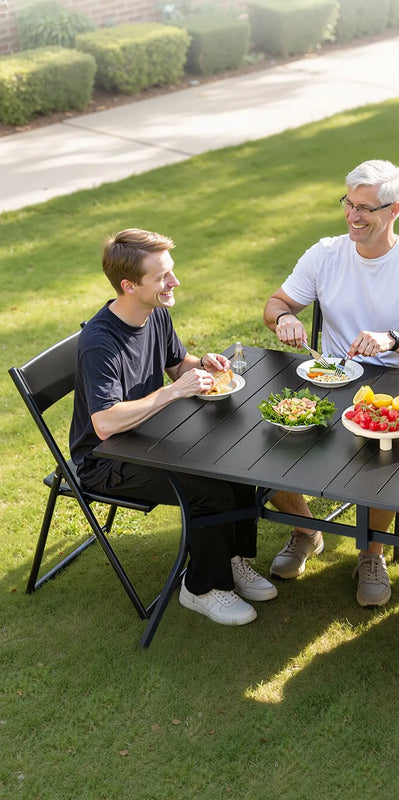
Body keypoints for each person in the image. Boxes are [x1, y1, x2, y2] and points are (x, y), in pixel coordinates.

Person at [263, 159, 399, 608]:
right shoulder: (325, 253)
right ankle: (306, 530)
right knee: (264, 442)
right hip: (328, 379)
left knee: (382, 457)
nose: (353, 215)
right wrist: (286, 317)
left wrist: (393, 339)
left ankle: (372, 553)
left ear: (395, 210)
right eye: (349, 203)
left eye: (366, 208)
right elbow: (275, 304)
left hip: (394, 386)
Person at [70, 228, 278, 627]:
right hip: (104, 460)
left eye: (172, 271)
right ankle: (200, 588)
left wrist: (202, 366)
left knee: (236, 466)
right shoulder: (100, 341)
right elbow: (105, 422)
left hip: (149, 436)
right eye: (163, 276)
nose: (174, 282)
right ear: (129, 286)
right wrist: (172, 393)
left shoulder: (155, 313)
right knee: (208, 489)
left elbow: (177, 363)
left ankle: (229, 562)